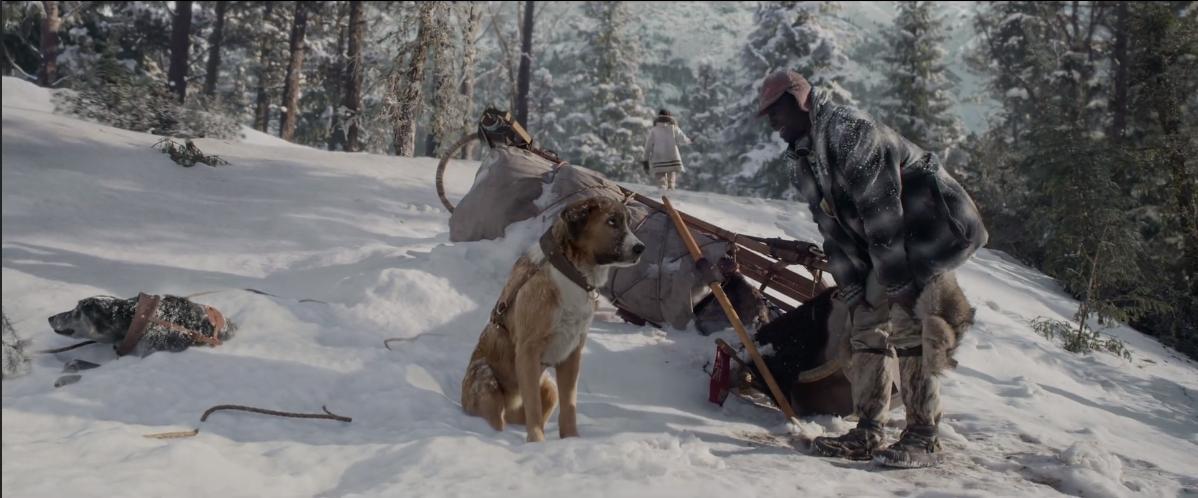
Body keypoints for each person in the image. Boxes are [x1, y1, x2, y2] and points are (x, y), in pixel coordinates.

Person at [757, 69, 988, 468]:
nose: (772, 123)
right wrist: (850, 286)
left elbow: (883, 214)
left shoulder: (854, 134)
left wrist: (899, 284)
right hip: (887, 246)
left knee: (910, 323)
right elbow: (830, 228)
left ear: (799, 102)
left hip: (930, 232)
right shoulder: (803, 160)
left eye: (776, 112)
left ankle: (923, 435)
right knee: (863, 322)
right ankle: (868, 429)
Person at [642, 109, 691, 190]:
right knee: (671, 177)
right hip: (672, 157)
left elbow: (648, 146)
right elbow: (683, 139)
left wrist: (645, 159)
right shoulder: (674, 128)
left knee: (660, 177)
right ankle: (671, 189)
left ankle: (661, 190)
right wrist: (690, 140)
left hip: (658, 158)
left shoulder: (654, 130)